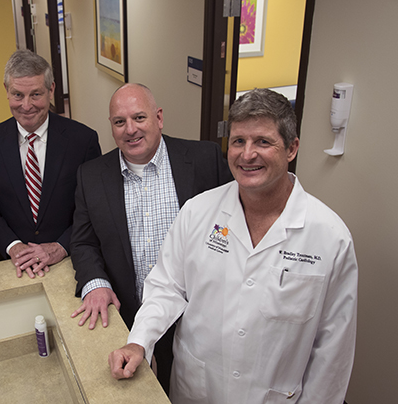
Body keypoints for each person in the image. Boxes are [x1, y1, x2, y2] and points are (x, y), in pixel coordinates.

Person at [109, 88, 358, 404]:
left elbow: (333, 348)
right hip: (196, 389)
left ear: (292, 148)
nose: (247, 154)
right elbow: (167, 287)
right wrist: (139, 342)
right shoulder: (198, 212)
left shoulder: (330, 237)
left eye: (263, 142)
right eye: (238, 141)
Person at [70, 83, 232, 392]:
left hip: (195, 314)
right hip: (127, 314)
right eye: (119, 122)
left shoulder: (203, 159)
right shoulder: (90, 176)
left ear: (158, 117)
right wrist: (96, 284)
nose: (130, 130)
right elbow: (83, 242)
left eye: (139, 118)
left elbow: (233, 221)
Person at [0, 50, 101, 279]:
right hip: (16, 267)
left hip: (71, 261)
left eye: (35, 94)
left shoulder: (83, 140)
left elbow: (95, 208)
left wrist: (61, 246)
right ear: (6, 90)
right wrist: (13, 246)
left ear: (51, 90)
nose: (26, 105)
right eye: (17, 95)